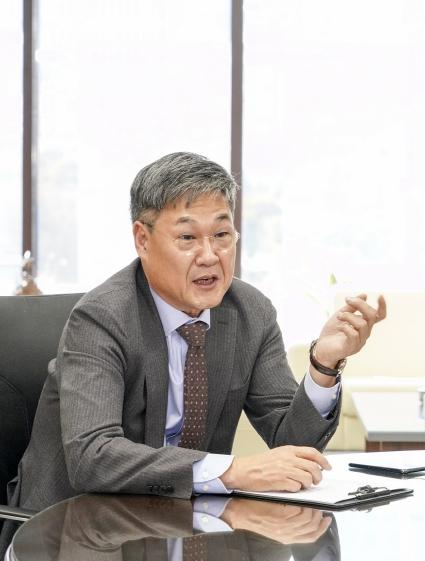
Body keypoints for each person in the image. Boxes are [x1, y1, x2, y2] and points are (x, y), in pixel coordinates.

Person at [7, 152, 386, 512]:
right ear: (142, 239)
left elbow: (293, 449)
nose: (209, 255)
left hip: (179, 523)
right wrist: (231, 471)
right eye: (187, 238)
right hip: (73, 527)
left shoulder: (250, 313)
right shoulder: (102, 318)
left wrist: (323, 363)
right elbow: (93, 457)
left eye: (222, 234)